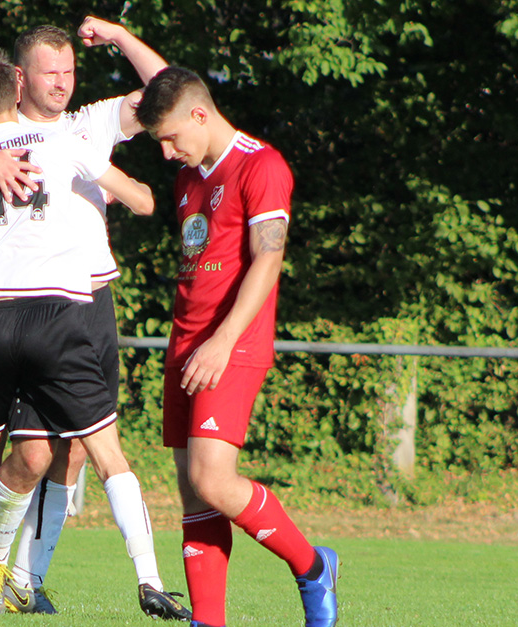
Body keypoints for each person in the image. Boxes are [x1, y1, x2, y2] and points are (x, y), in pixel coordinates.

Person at [0, 19, 188, 619]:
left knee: (79, 453)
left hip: (88, 301)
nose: (61, 83)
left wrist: (118, 36)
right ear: (19, 77)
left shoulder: (86, 125)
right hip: (35, 303)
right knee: (34, 455)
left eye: (68, 71)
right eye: (49, 72)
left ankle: (25, 582)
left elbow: (169, 93)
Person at [135, 66, 338, 627]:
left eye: (173, 137)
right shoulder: (190, 175)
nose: (169, 151)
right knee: (194, 495)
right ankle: (209, 621)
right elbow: (167, 83)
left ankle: (314, 567)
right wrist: (121, 38)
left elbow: (268, 257)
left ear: (201, 114)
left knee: (213, 480)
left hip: (233, 342)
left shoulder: (260, 164)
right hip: (185, 342)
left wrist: (222, 342)